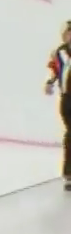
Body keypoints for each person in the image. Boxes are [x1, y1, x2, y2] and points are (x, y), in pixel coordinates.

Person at [48, 22, 71, 188]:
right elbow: (56, 71)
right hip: (67, 98)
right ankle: (68, 172)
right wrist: (50, 82)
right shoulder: (60, 52)